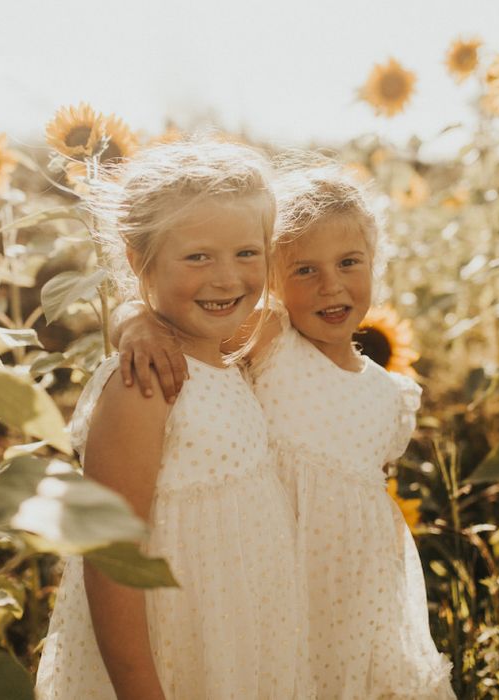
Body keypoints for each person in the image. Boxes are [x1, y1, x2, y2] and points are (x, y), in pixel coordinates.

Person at [114, 158, 456, 699]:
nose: (331, 286)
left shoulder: (391, 397)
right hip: (270, 597)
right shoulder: (272, 339)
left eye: (350, 263)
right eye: (304, 270)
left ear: (376, 265)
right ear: (273, 278)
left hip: (356, 607)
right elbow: (176, 317)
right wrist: (132, 323)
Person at [36, 140, 311, 700]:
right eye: (198, 257)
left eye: (247, 253)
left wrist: (134, 317)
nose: (227, 278)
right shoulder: (145, 384)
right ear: (140, 261)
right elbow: (110, 557)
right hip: (173, 649)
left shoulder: (236, 345)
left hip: (244, 636)